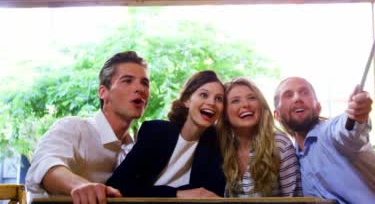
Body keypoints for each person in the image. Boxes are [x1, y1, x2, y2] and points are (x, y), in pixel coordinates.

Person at [25, 51, 150, 204]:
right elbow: (45, 165)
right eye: (127, 81)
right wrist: (82, 186)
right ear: (103, 92)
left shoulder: (134, 149)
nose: (140, 89)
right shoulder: (73, 127)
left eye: (145, 83)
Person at [273, 77, 375, 204]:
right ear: (277, 115)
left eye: (304, 92)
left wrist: (357, 115)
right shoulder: (293, 160)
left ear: (318, 107)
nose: (297, 98)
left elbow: (348, 130)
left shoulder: (330, 132)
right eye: (288, 95)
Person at [106, 70, 225, 198]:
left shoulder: (215, 143)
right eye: (204, 95)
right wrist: (177, 193)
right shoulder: (156, 132)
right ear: (187, 101)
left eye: (219, 99)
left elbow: (211, 194)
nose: (212, 103)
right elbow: (117, 185)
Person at [217, 77, 301, 197]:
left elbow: (294, 198)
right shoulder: (222, 147)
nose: (246, 104)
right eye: (235, 101)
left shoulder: (279, 144)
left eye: (252, 98)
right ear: (224, 113)